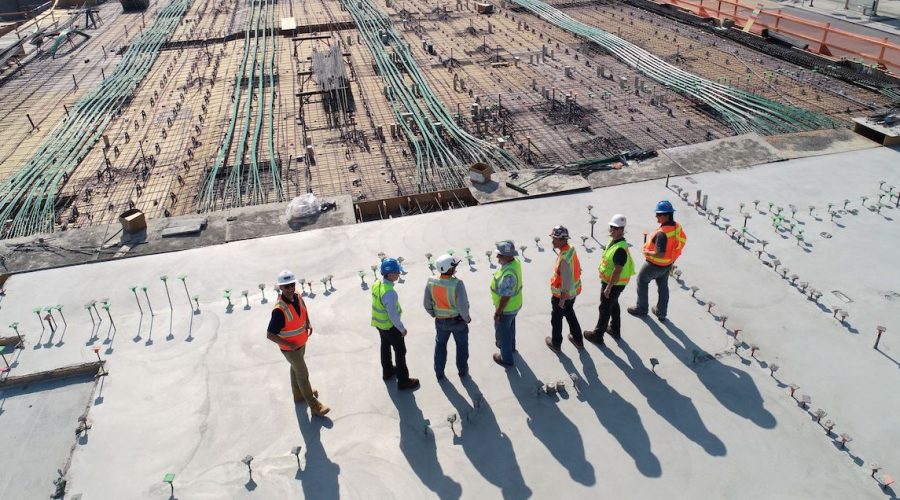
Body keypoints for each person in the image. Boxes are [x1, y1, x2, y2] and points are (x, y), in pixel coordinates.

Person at [266, 270, 330, 417]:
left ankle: (298, 394)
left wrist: (308, 322)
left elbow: (304, 310)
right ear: (280, 288)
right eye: (286, 286)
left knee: (295, 369)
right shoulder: (279, 310)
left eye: (292, 285)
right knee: (302, 374)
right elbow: (270, 334)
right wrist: (289, 345)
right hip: (291, 349)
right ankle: (314, 406)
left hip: (301, 343)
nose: (290, 289)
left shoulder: (298, 297)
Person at [628, 200, 687, 322]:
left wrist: (646, 251)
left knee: (642, 281)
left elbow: (660, 253)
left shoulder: (662, 234)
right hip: (668, 264)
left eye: (659, 215)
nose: (656, 217)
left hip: (654, 265)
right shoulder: (677, 227)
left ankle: (642, 308)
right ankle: (661, 312)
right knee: (663, 287)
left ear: (666, 215)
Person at [584, 214, 635, 345]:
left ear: (622, 230)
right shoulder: (614, 242)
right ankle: (615, 329)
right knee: (613, 304)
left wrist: (608, 287)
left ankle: (598, 335)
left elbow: (617, 270)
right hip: (613, 282)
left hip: (614, 283)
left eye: (616, 228)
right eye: (611, 227)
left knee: (604, 308)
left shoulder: (619, 249)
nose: (612, 230)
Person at [371, 258, 420, 390]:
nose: (399, 273)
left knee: (385, 346)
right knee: (400, 351)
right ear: (390, 274)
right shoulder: (390, 293)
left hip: (379, 324)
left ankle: (387, 372)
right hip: (390, 327)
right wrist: (402, 329)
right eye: (397, 271)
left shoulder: (377, 284)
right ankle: (403, 381)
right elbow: (393, 315)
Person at [424, 254, 471, 379]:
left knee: (440, 345)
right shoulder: (457, 284)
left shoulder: (431, 281)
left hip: (440, 321)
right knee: (461, 346)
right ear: (449, 269)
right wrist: (467, 318)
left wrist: (433, 313)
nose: (456, 268)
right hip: (458, 322)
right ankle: (462, 371)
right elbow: (462, 306)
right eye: (454, 266)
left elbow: (426, 303)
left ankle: (439, 372)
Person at [546, 225, 584, 352]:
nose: (552, 241)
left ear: (562, 240)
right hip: (573, 293)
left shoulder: (564, 258)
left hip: (562, 296)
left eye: (555, 238)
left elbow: (566, 281)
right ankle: (578, 339)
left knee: (556, 319)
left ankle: (556, 343)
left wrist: (562, 299)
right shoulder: (570, 249)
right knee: (570, 313)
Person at [491, 240, 523, 367]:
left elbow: (505, 296)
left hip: (507, 309)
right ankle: (512, 348)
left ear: (509, 256)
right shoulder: (515, 263)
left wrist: (498, 312)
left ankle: (506, 358)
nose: (497, 257)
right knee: (510, 327)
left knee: (503, 333)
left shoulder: (508, 275)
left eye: (500, 255)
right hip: (515, 306)